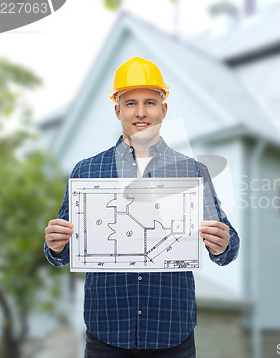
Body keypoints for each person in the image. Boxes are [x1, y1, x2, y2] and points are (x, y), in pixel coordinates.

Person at [44, 56, 240, 358]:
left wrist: (223, 244)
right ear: (117, 109)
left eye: (150, 101)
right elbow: (63, 253)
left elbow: (227, 249)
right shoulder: (87, 171)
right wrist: (56, 246)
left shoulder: (192, 172)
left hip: (171, 333)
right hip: (106, 332)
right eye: (130, 102)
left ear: (163, 108)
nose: (140, 112)